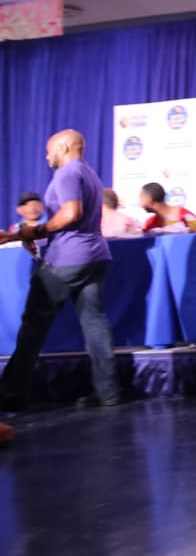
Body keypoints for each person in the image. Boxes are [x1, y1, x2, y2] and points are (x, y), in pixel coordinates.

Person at [0, 130, 121, 410]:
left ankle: (11, 396)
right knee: (95, 324)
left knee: (33, 326)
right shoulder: (90, 174)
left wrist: (33, 231)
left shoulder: (67, 173)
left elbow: (70, 213)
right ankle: (108, 392)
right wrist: (24, 235)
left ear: (64, 148)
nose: (46, 156)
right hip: (95, 256)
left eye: (49, 150)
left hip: (66, 259)